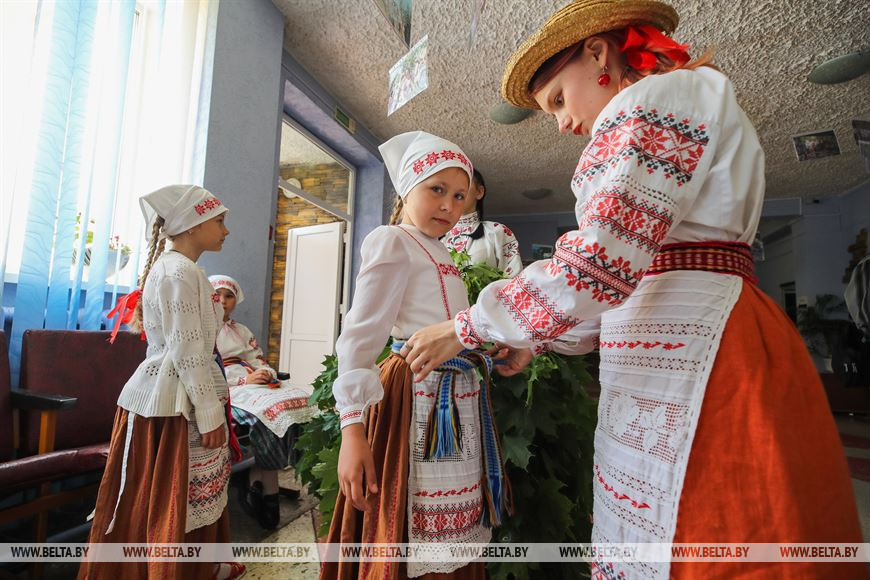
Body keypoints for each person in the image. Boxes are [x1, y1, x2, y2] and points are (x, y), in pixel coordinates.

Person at [398, 2, 866, 578]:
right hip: (668, 342)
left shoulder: (662, 97)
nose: (563, 124)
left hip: (705, 352)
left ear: (597, 52)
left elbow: (601, 261)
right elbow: (625, 276)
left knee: (704, 526)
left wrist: (465, 327)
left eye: (558, 101)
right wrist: (539, 339)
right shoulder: (664, 105)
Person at [321, 132, 510, 580]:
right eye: (437, 189)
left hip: (457, 397)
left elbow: (450, 326)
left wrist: (484, 347)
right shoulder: (393, 240)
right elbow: (359, 335)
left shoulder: (442, 252)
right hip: (418, 399)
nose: (449, 204)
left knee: (456, 525)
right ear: (407, 189)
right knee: (415, 523)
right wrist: (352, 430)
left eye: (460, 195)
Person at [79, 185, 244, 579]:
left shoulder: (186, 271)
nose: (226, 231)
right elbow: (187, 351)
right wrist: (209, 415)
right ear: (191, 225)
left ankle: (196, 567)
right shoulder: (178, 272)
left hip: (179, 396)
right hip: (170, 404)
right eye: (219, 222)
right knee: (167, 498)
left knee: (190, 492)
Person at [210, 274, 317, 529]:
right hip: (226, 386)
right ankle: (266, 486)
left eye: (229, 296)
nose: (224, 301)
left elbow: (258, 359)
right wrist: (243, 382)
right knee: (268, 413)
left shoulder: (241, 330)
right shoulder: (203, 329)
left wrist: (265, 374)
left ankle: (259, 476)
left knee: (301, 399)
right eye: (218, 295)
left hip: (252, 379)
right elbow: (205, 370)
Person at [443, 169, 523, 277]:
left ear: (479, 192)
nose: (456, 189)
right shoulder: (435, 237)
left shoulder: (497, 231)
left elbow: (513, 281)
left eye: (464, 182)